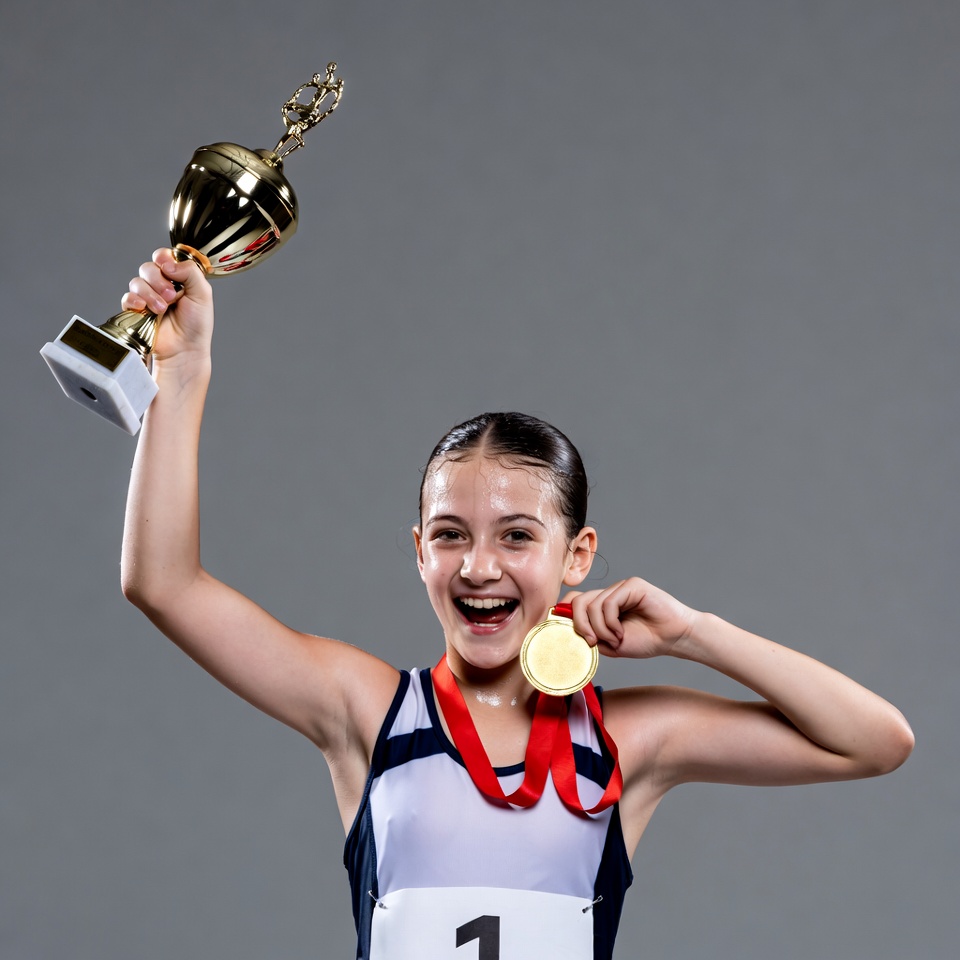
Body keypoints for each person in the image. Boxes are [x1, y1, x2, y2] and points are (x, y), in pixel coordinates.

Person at [119, 250, 914, 960]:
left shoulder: (628, 739)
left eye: (517, 537)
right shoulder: (366, 710)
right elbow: (163, 583)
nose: (478, 567)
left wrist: (696, 634)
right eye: (450, 535)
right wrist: (181, 383)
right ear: (420, 551)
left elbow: (875, 742)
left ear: (578, 556)